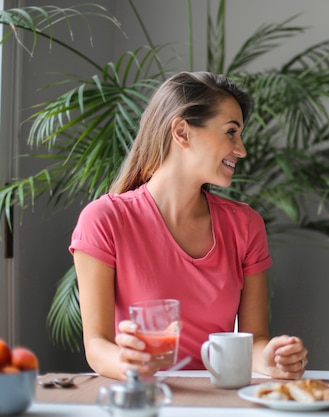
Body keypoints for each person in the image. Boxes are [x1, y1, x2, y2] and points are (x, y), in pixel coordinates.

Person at [69, 71, 308, 380]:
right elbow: (97, 345)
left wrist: (272, 359)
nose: (242, 149)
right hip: (141, 400)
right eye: (231, 132)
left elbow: (253, 341)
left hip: (217, 401)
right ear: (182, 132)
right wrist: (128, 363)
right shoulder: (104, 220)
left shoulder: (245, 225)